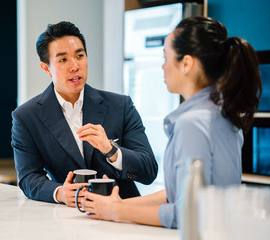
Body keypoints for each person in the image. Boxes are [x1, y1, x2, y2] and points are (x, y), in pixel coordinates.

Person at [81, 16, 262, 228]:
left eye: (166, 57)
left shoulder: (191, 123)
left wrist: (116, 210)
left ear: (186, 63)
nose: (162, 66)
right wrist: (119, 203)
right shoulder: (222, 111)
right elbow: (180, 194)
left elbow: (188, 213)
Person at [11, 21, 158, 206]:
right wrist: (60, 193)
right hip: (66, 220)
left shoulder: (121, 106)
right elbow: (28, 177)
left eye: (79, 56)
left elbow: (149, 170)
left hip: (124, 214)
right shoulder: (26, 117)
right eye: (63, 60)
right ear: (46, 68)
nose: (74, 66)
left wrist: (111, 150)